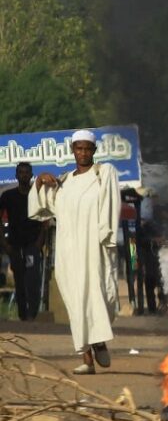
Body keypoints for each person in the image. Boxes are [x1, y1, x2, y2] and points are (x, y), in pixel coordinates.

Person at [29, 130, 122, 375]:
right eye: (78, 148)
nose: (83, 153)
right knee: (75, 302)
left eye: (87, 149)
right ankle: (87, 358)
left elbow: (112, 206)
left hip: (95, 249)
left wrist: (108, 237)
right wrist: (40, 181)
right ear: (73, 150)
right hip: (69, 253)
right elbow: (43, 207)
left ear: (93, 150)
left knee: (101, 297)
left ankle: (99, 339)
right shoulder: (64, 181)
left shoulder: (104, 174)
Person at [0, 162, 45, 321]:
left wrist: (40, 241)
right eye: (21, 172)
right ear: (16, 175)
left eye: (27, 172)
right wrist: (4, 244)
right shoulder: (8, 196)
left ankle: (32, 313)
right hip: (14, 245)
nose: (24, 175)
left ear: (31, 175)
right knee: (19, 280)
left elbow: (45, 219)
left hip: (33, 244)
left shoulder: (38, 194)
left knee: (33, 279)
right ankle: (22, 315)